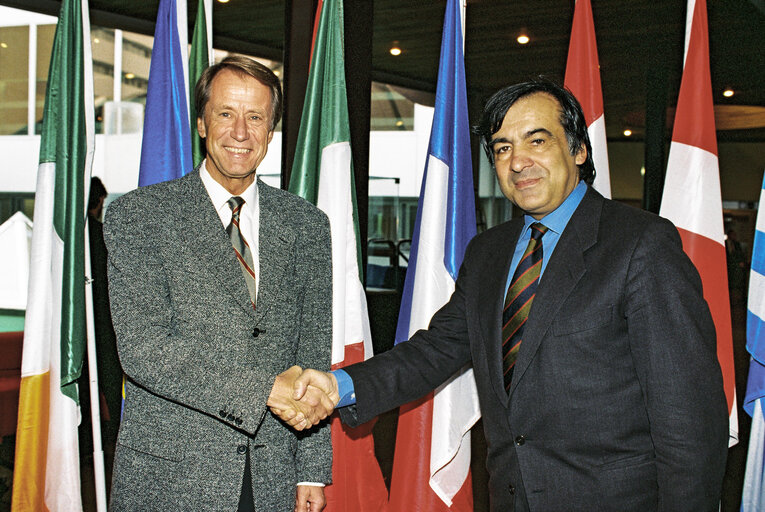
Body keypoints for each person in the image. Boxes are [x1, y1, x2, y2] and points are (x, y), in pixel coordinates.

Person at [277, 80, 729, 511]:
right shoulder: (489, 252)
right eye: (502, 148)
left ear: (578, 149)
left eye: (537, 141)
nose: (517, 162)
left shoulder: (640, 245)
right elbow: (435, 351)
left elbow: (688, 422)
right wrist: (340, 385)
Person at [104, 56, 334, 512]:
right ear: (202, 124)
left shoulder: (307, 225)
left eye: (256, 117)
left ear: (271, 131)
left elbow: (312, 349)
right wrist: (264, 389)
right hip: (171, 473)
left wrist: (311, 468)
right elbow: (144, 349)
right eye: (226, 114)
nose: (241, 132)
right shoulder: (139, 217)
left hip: (273, 472)